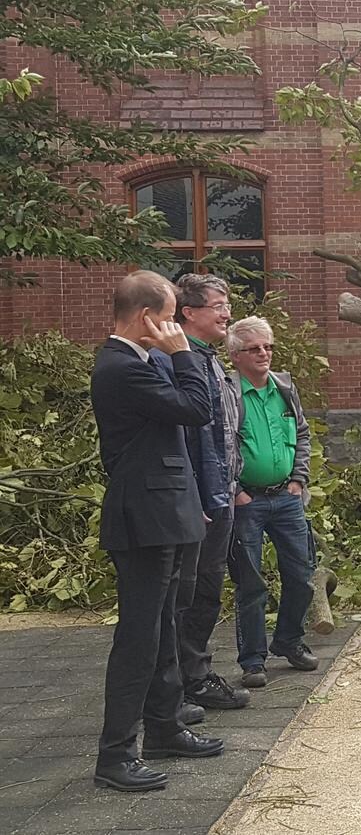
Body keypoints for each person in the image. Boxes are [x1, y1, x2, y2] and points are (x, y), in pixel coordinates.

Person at [90, 271, 227, 793]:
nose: (174, 328)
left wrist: (174, 355)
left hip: (167, 508)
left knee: (166, 626)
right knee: (139, 637)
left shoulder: (145, 361)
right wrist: (185, 355)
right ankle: (115, 754)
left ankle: (165, 727)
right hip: (143, 516)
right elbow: (196, 409)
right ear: (147, 316)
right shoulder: (121, 367)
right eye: (169, 317)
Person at [153, 274, 250, 711]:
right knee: (185, 596)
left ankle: (195, 674)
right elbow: (182, 436)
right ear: (188, 312)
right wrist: (196, 497)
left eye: (227, 303)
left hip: (222, 498)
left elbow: (226, 436)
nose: (227, 312)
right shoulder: (175, 362)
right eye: (218, 305)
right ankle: (180, 685)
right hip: (197, 504)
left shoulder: (211, 361)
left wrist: (233, 486)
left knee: (208, 590)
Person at [224, 316, 316, 690]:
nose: (264, 354)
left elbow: (303, 434)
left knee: (302, 576)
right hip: (248, 501)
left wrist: (299, 479)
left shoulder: (284, 389)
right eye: (254, 348)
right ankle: (252, 661)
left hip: (287, 498)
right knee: (251, 583)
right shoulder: (228, 394)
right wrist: (235, 490)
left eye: (268, 347)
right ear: (235, 356)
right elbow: (220, 445)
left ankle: (289, 641)